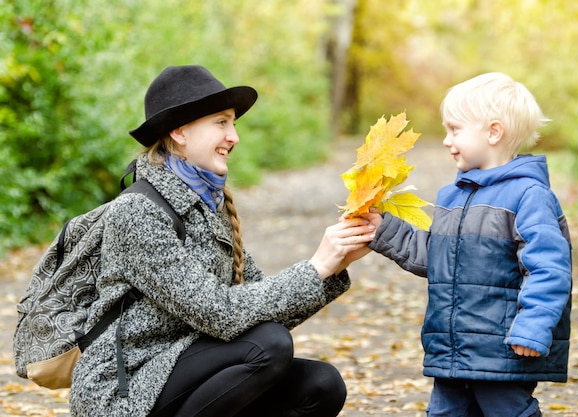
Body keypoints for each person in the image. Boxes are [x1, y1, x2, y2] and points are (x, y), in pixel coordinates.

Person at [68, 64, 375, 417]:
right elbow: (221, 313)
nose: (234, 136)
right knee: (268, 346)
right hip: (127, 389)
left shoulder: (208, 205)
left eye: (233, 123)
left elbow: (263, 307)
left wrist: (334, 265)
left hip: (188, 370)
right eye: (221, 122)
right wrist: (315, 266)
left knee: (322, 385)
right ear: (180, 131)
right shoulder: (138, 211)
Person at [363, 72, 572, 417]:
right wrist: (385, 230)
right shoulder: (453, 197)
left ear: (493, 132)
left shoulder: (530, 196)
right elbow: (437, 257)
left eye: (455, 129)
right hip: (452, 347)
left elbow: (548, 269)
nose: (446, 140)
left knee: (507, 411)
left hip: (503, 349)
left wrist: (534, 326)